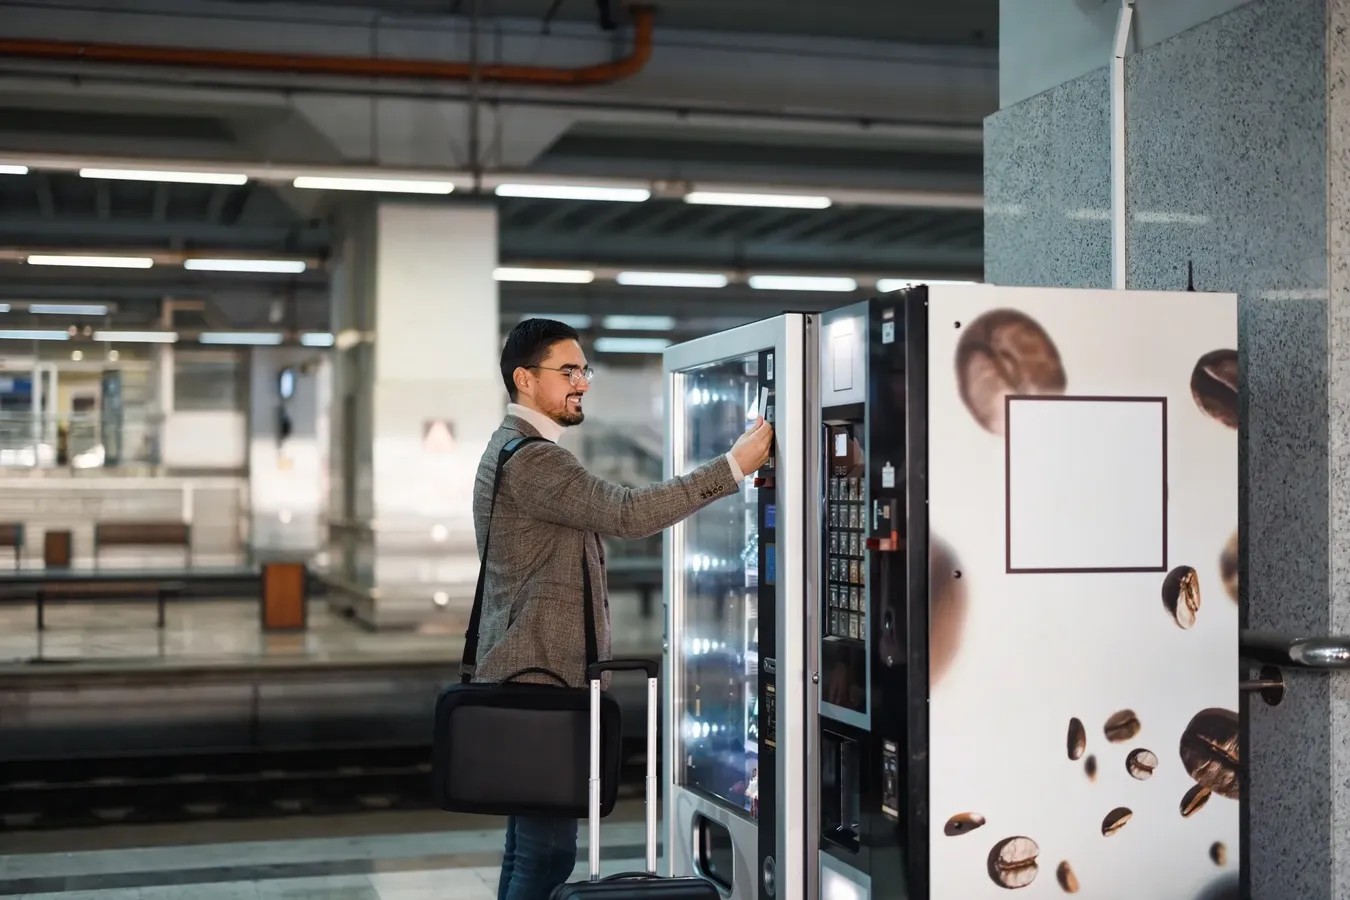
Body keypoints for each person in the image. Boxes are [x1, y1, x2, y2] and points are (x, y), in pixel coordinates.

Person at [472, 318, 773, 900]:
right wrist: (733, 466)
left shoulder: (508, 448)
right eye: (568, 371)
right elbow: (628, 513)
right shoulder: (535, 461)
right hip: (541, 677)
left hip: (525, 671)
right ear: (524, 379)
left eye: (584, 370)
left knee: (528, 847)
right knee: (546, 852)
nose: (582, 382)